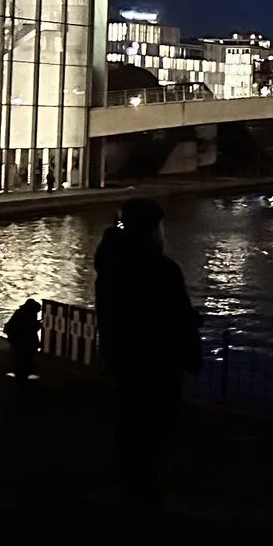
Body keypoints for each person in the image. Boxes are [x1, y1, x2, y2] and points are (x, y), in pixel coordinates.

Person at [95, 198, 201, 503]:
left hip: (123, 359)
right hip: (159, 364)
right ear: (153, 229)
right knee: (156, 429)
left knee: (129, 425)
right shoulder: (161, 269)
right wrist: (191, 353)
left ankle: (130, 487)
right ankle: (145, 496)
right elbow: (176, 317)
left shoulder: (110, 264)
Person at [2, 298, 43, 381]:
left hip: (17, 339)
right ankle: (23, 376)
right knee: (25, 358)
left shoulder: (20, 312)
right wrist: (39, 324)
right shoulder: (29, 314)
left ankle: (20, 373)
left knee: (20, 358)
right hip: (23, 340)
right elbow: (29, 328)